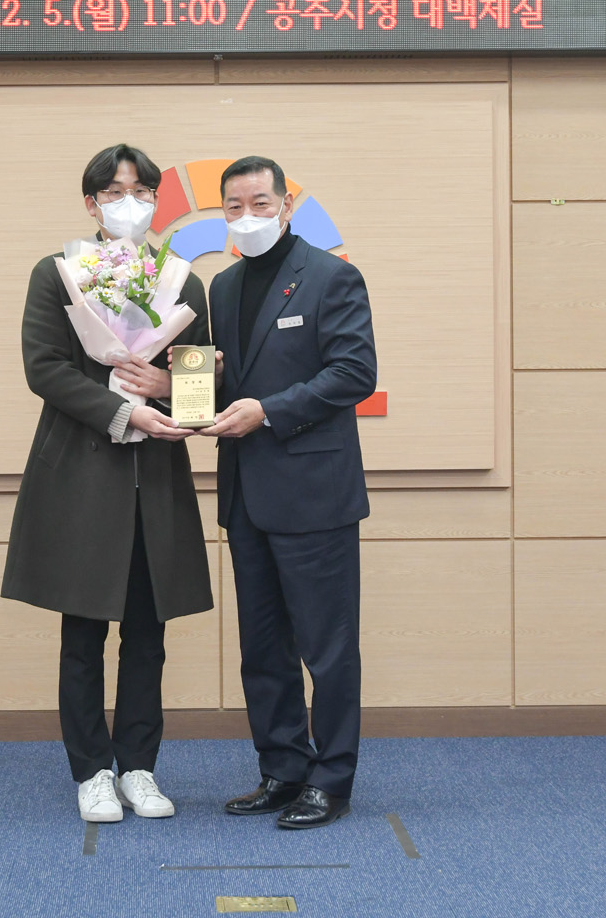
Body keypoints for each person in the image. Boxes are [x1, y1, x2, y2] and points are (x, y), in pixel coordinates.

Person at [2, 144, 214, 824]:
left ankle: (140, 768)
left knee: (149, 635)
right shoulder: (58, 273)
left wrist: (168, 388)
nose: (130, 204)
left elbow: (199, 384)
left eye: (142, 192)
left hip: (155, 479)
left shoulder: (183, 280)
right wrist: (124, 411)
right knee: (83, 631)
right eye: (115, 193)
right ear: (91, 204)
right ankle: (92, 771)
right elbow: (45, 368)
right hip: (82, 473)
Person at [204, 156, 377, 830]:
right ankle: (281, 769)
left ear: (286, 205)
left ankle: (331, 779)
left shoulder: (332, 276)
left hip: (313, 493)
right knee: (262, 646)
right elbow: (230, 382)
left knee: (326, 649)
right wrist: (188, 385)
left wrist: (268, 411)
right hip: (247, 493)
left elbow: (353, 371)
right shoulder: (222, 286)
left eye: (260, 202)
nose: (247, 216)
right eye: (235, 206)